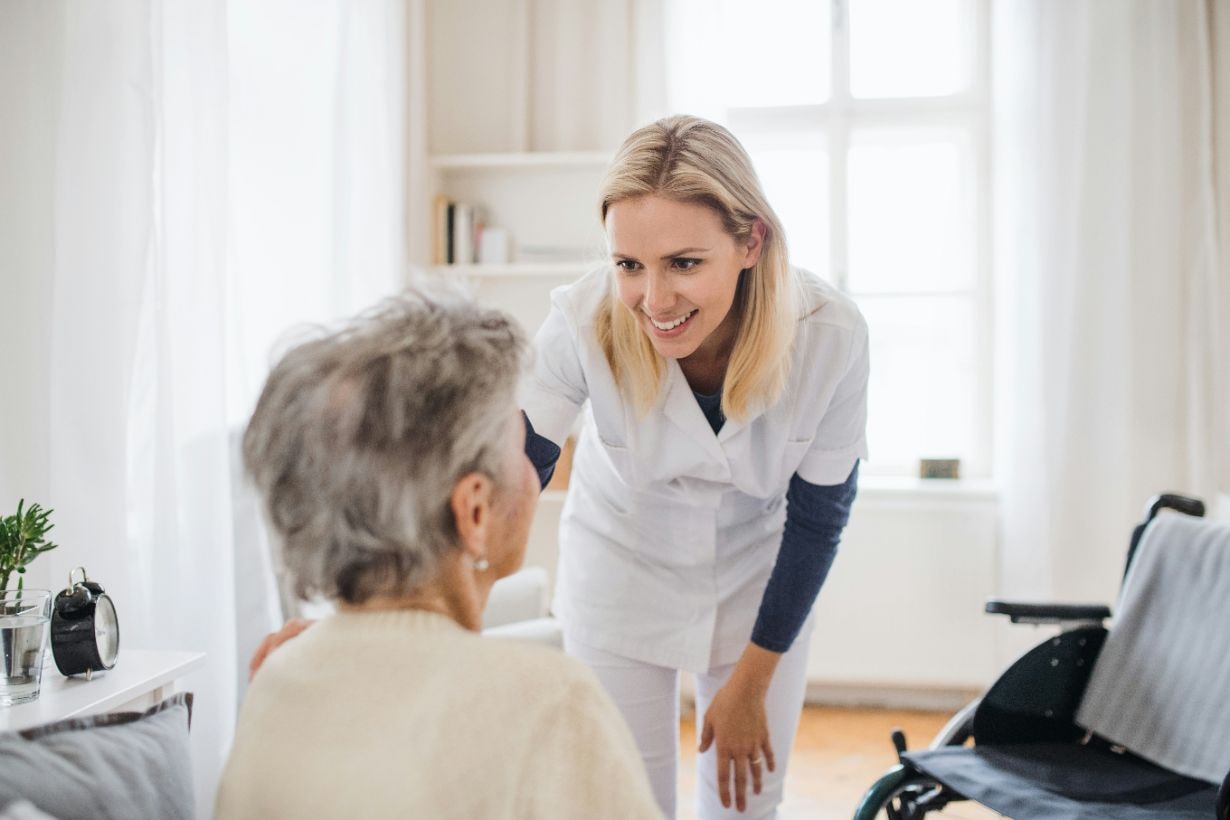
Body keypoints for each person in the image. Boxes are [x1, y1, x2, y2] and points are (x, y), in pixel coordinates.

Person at [520, 115, 868, 819]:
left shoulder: (829, 335)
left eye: (684, 263)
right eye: (629, 265)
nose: (655, 301)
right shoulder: (584, 320)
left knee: (745, 804)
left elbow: (819, 519)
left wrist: (753, 678)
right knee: (622, 804)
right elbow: (511, 466)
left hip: (760, 580)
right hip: (617, 572)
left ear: (750, 241)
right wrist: (380, 614)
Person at [215, 290, 662, 819]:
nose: (535, 464)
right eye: (518, 442)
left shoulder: (276, 684)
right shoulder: (549, 706)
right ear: (474, 511)